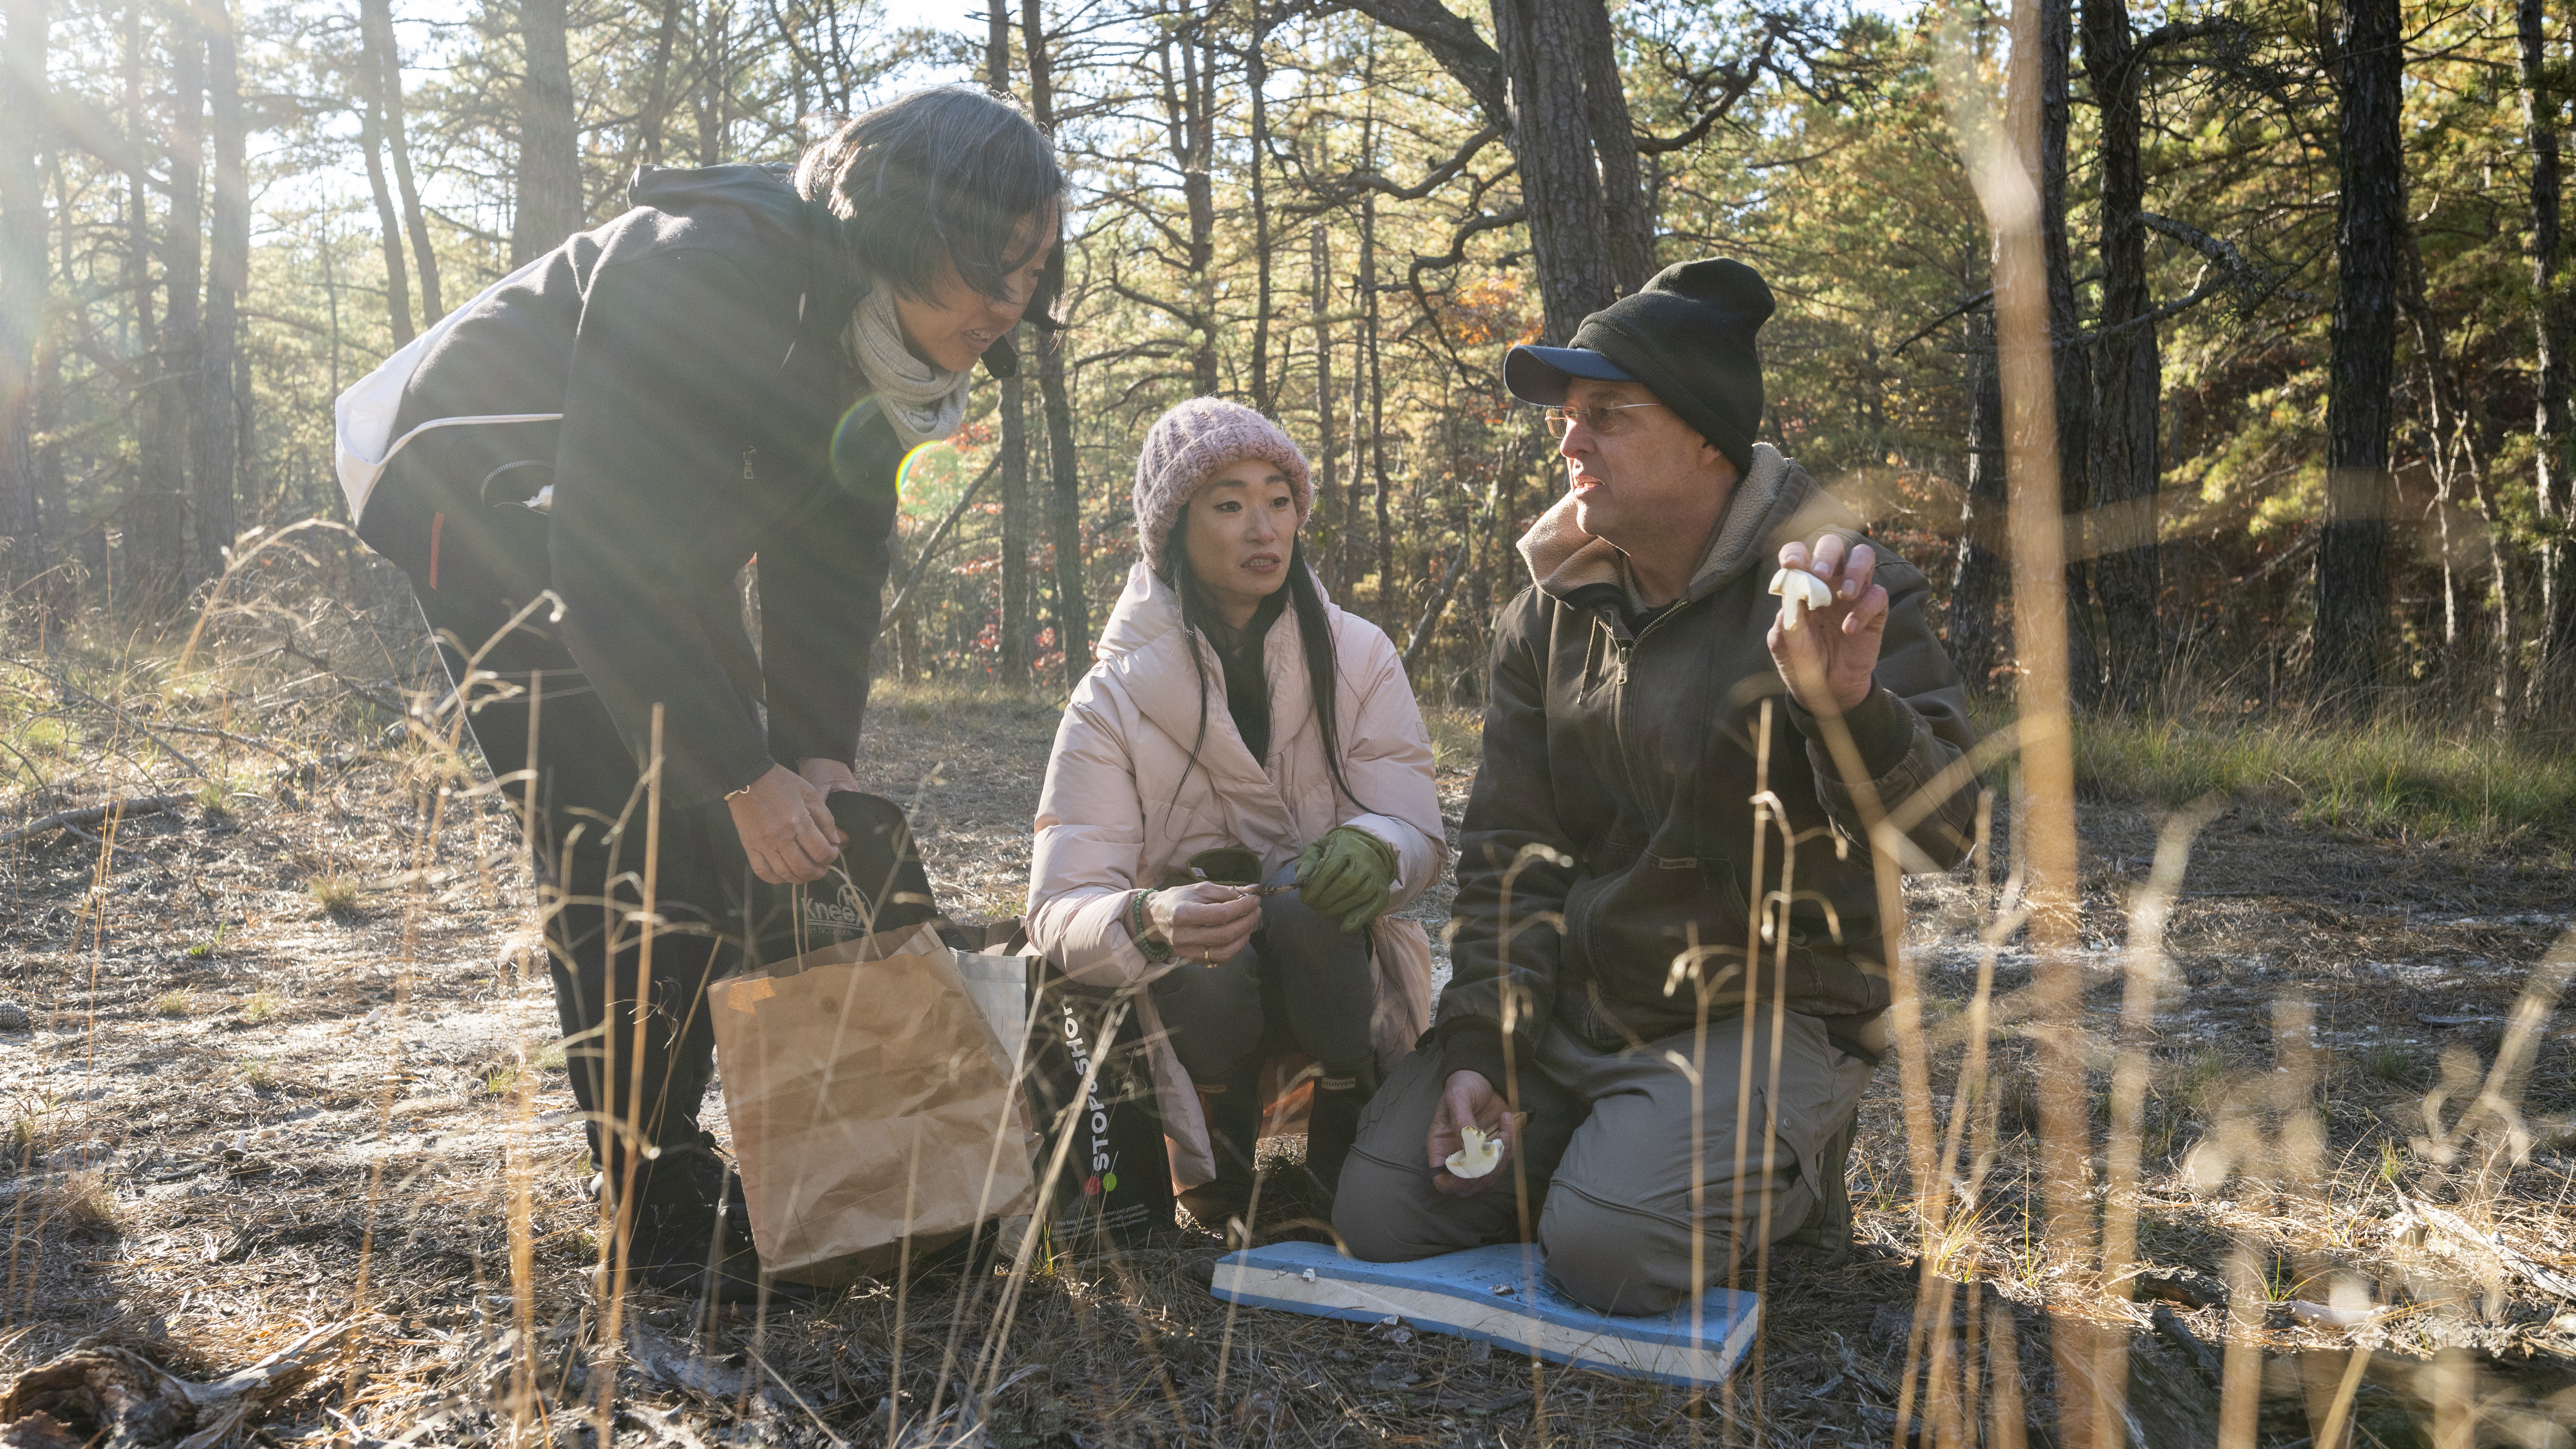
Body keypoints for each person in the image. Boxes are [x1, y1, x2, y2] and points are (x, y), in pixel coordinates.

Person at [344, 86, 1064, 1301]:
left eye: (1035, 267)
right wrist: (739, 771)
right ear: (900, 224)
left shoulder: (883, 336)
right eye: (992, 263)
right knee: (620, 812)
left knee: (764, 799)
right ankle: (657, 1190)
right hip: (475, 480)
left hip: (637, 531)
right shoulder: (705, 273)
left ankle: (837, 1154)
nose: (1014, 301)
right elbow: (601, 567)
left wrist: (814, 753)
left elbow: (830, 556)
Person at [1332, 259, 1980, 1314]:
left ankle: (1768, 1168)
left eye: (1606, 415)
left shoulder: (1845, 587)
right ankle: (1625, 1156)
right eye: (1565, 417)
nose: (1568, 440)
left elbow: (1945, 831)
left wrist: (1846, 704)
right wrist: (1483, 1048)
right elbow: (1509, 851)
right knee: (1386, 1208)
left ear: (1707, 439)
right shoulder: (1547, 615)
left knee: (1606, 1253)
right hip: (1578, 1018)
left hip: (1768, 1021)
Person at [1024, 398, 1446, 1231]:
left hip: (1340, 993)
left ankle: (1341, 1129)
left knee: (1308, 892)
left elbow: (1417, 832)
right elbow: (1056, 911)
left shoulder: (1359, 654)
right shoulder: (1109, 701)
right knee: (1209, 931)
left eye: (1279, 500)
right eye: (1229, 503)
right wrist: (1147, 919)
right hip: (1194, 1015)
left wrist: (1380, 847)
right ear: (1174, 528)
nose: (1264, 527)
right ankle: (1225, 1158)